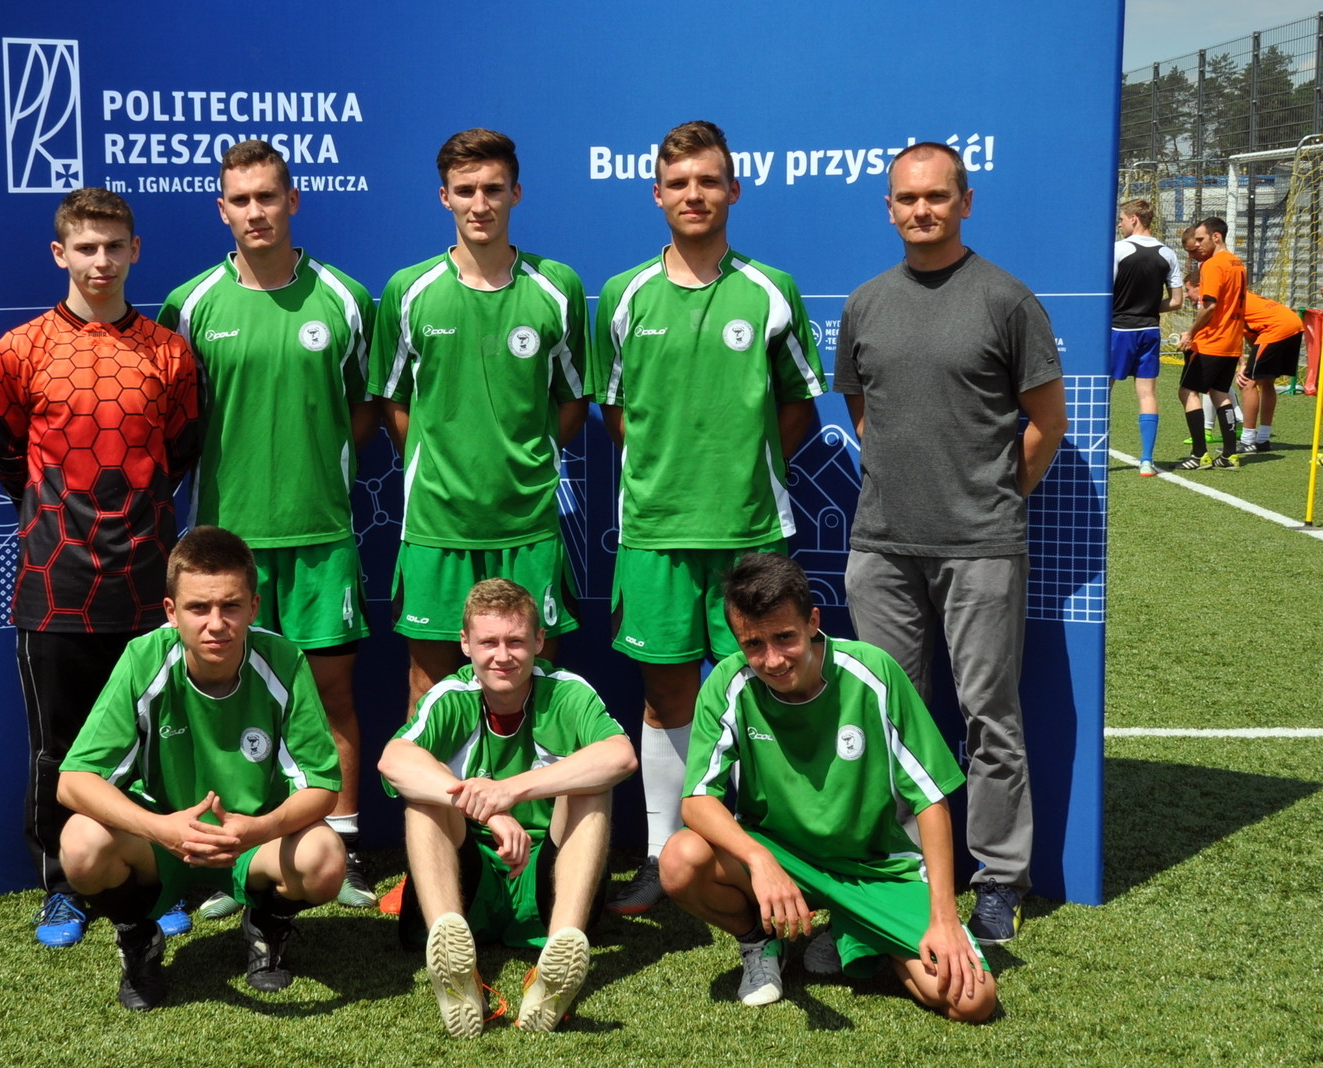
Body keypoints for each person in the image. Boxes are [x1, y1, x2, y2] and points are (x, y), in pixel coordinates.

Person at [588, 120, 824, 914]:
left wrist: (737, 470)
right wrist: (671, 475)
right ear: (658, 195)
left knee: (764, 695)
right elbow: (617, 413)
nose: (695, 195)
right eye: (680, 183)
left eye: (709, 181)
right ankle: (663, 854)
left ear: (733, 190)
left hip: (751, 533)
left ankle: (767, 851)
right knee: (666, 700)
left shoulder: (771, 290)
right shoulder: (623, 295)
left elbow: (796, 408)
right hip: (655, 535)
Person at [834, 142, 1067, 944]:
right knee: (890, 721)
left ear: (965, 202)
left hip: (981, 547)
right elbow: (866, 415)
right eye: (907, 198)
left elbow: (1046, 423)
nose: (921, 209)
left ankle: (997, 877)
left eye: (936, 196)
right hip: (881, 547)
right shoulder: (865, 304)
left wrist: (989, 499)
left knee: (988, 718)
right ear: (889, 208)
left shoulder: (1006, 300)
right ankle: (907, 874)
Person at [158, 139, 379, 911]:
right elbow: (177, 422)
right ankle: (236, 859)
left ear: (293, 201)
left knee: (330, 697)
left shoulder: (345, 298)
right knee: (230, 701)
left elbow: (363, 409)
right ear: (222, 210)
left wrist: (316, 472)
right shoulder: (190, 305)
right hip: (226, 550)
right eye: (241, 200)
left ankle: (342, 846)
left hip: (320, 538)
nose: (256, 211)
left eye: (268, 196)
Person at [0, 187, 201, 948]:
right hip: (55, 583)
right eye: (86, 247)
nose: (100, 260)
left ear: (135, 251)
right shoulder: (21, 349)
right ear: (60, 254)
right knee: (59, 745)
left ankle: (160, 877)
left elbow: (179, 453)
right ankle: (62, 888)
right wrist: (60, 518)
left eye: (114, 246)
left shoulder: (170, 352)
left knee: (156, 739)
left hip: (147, 581)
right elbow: (7, 453)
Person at [659, 553, 996, 1022]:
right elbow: (697, 800)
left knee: (972, 1001)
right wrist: (760, 861)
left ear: (813, 622)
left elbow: (930, 799)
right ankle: (760, 940)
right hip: (781, 857)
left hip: (873, 869)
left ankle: (852, 930)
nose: (772, 660)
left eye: (784, 638)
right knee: (679, 861)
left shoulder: (873, 671)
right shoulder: (728, 683)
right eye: (753, 644)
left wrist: (944, 919)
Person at [56, 526, 345, 1010]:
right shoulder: (144, 658)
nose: (216, 624)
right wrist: (160, 828)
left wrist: (259, 828)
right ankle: (137, 935)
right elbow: (73, 781)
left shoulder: (283, 660)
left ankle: (267, 925)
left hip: (251, 838)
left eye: (231, 606)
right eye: (198, 608)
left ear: (254, 607)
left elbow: (323, 786)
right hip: (163, 837)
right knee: (81, 844)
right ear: (172, 612)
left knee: (325, 860)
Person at [368, 129, 589, 720]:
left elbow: (573, 401)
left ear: (516, 193)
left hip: (529, 527)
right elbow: (394, 403)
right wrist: (443, 461)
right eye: (465, 190)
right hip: (437, 527)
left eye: (493, 189)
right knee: (430, 691)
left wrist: (525, 457)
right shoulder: (408, 291)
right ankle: (438, 789)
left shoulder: (557, 287)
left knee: (539, 688)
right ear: (445, 197)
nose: (480, 204)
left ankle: (535, 787)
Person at [378, 578, 637, 1036]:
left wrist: (511, 791)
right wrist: (491, 812)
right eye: (489, 642)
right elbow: (393, 761)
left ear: (539, 641)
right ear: (465, 644)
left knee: (592, 783)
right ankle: (457, 968)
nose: (503, 655)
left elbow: (621, 756)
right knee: (423, 796)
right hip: (470, 878)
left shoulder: (567, 692)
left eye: (516, 641)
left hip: (546, 879)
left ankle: (556, 959)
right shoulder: (451, 695)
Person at [1112, 198, 1184, 476]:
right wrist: (1149, 308)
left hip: (1118, 330)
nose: (1119, 225)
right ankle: (1146, 461)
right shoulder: (1168, 253)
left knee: (1103, 392)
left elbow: (1105, 292)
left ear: (1134, 219)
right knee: (1147, 394)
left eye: (1121, 219)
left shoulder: (1118, 250)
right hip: (1150, 330)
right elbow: (1176, 301)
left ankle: (1092, 452)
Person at [1176, 217, 1246, 470]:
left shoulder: (1213, 264)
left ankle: (1199, 455)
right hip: (1232, 341)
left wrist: (1190, 333)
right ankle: (1229, 455)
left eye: (1201, 239)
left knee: (1187, 392)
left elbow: (1210, 306)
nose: (1197, 244)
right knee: (1219, 393)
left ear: (1216, 237)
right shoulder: (1237, 263)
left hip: (1212, 341)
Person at [1235, 290, 1303, 453]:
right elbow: (1251, 336)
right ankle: (1263, 439)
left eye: (1189, 290)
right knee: (1266, 381)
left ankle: (1247, 440)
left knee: (1247, 382)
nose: (1188, 296)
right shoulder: (1241, 294)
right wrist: (1252, 363)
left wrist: (1243, 365)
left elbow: (1231, 336)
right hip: (1293, 322)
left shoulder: (1223, 300)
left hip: (1277, 328)